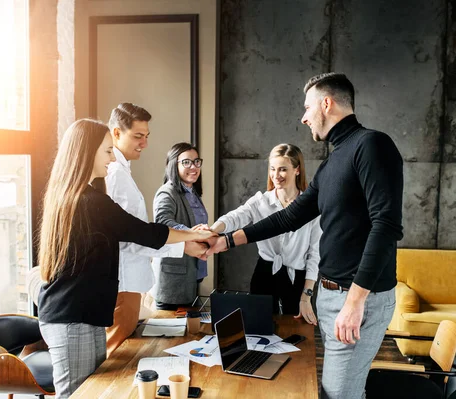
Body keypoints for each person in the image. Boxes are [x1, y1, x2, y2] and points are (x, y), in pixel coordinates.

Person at [206, 73, 404, 399]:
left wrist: (355, 302)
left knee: (339, 395)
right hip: (331, 296)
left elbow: (386, 226)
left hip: (356, 298)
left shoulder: (372, 145)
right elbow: (289, 217)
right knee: (337, 390)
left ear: (327, 103)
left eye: (308, 107)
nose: (304, 116)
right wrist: (225, 241)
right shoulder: (333, 161)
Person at [37, 119, 214, 398]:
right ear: (87, 152)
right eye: (107, 151)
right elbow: (142, 232)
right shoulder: (89, 202)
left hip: (83, 314)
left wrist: (187, 239)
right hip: (72, 316)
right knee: (77, 395)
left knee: (91, 392)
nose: (112, 158)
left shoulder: (75, 195)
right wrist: (191, 236)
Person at [104, 103, 207, 356]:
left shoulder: (123, 171)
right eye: (138, 136)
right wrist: (186, 242)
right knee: (115, 356)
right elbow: (134, 237)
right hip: (123, 283)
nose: (145, 143)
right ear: (116, 133)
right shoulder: (116, 174)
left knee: (120, 353)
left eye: (146, 136)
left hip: (129, 283)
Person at [209, 144, 320, 324]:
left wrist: (306, 296)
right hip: (264, 274)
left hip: (298, 279)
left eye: (283, 169)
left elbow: (315, 254)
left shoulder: (311, 208)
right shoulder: (261, 201)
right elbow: (236, 216)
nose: (276, 175)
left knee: (297, 334)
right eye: (273, 169)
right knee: (259, 330)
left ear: (297, 170)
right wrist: (212, 230)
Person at [152, 142, 210, 309]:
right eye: (186, 162)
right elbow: (163, 222)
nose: (193, 167)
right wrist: (194, 234)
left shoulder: (193, 193)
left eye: (196, 161)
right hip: (173, 279)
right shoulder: (167, 192)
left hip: (193, 271)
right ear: (173, 165)